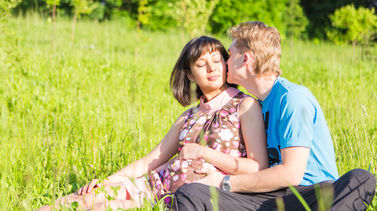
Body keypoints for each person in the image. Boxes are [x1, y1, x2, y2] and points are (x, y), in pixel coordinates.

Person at [38, 36, 268, 210]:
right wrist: (104, 181)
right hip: (153, 185)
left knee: (105, 207)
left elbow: (257, 167)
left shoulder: (245, 105)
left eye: (217, 60)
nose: (212, 68)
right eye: (201, 64)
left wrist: (204, 153)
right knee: (87, 198)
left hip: (182, 199)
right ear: (189, 74)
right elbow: (150, 161)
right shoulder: (188, 116)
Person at [173, 22, 377, 211]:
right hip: (269, 198)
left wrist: (224, 182)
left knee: (361, 179)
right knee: (190, 193)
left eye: (229, 54)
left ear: (245, 59)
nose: (224, 62)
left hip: (310, 195)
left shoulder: (292, 98)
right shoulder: (254, 105)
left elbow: (291, 174)